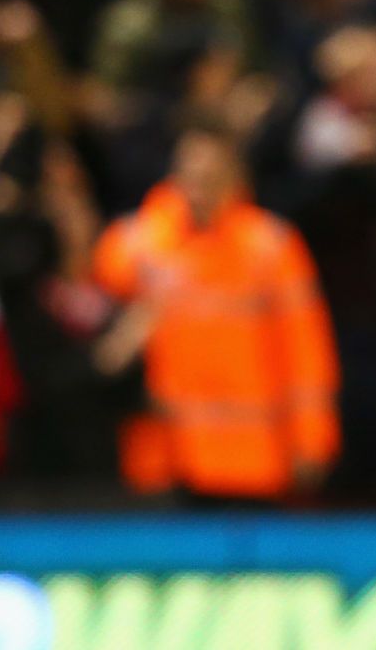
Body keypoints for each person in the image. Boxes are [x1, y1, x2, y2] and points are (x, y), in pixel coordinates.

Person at [89, 118, 339, 501]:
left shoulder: (271, 247)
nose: (198, 186)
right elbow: (92, 326)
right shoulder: (135, 243)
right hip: (164, 461)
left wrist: (311, 442)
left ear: (235, 176)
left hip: (253, 462)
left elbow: (305, 355)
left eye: (211, 174)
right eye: (189, 172)